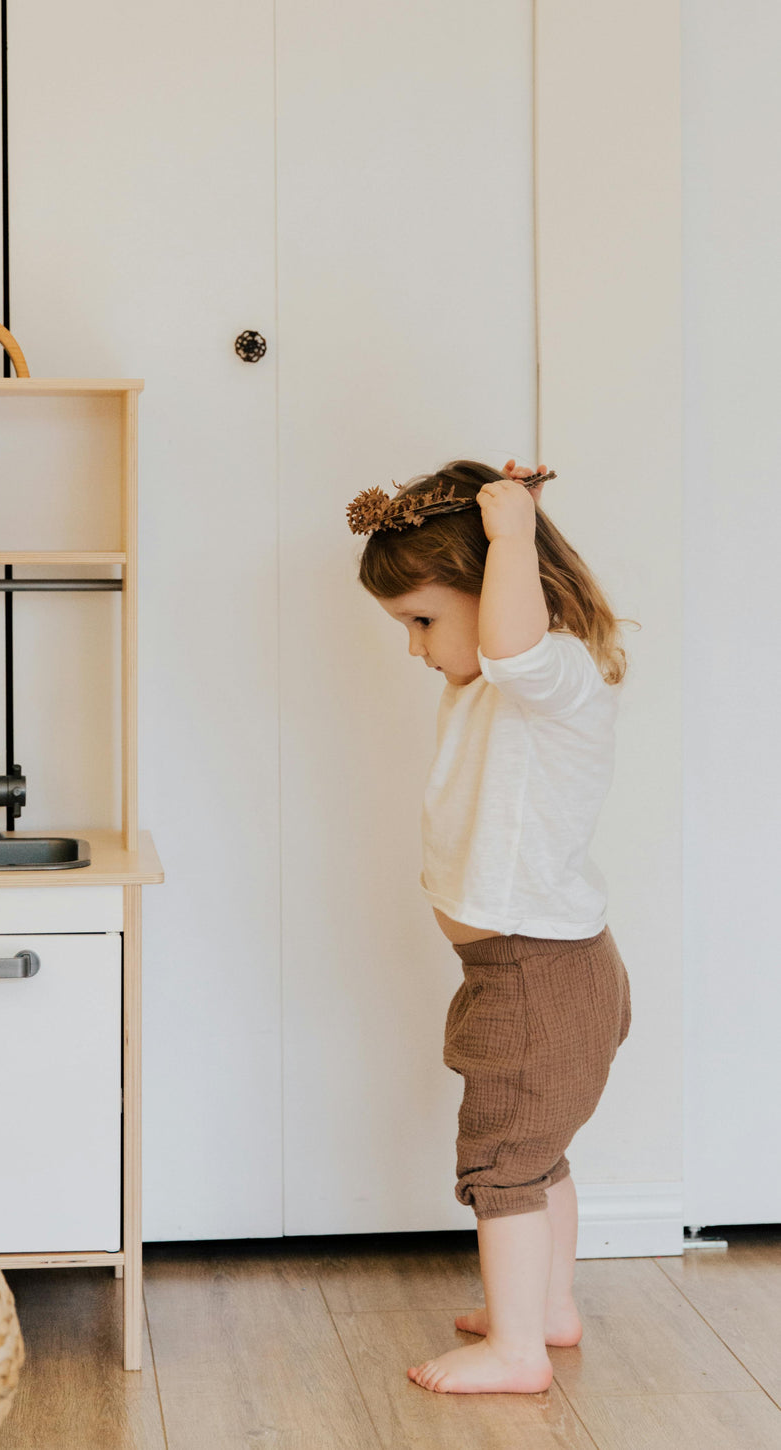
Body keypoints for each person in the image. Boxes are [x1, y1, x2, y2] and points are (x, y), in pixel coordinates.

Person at [347, 456, 634, 1395]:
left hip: (534, 973)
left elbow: (510, 645)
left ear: (492, 590)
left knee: (504, 1163)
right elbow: (492, 650)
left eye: (424, 620)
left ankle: (517, 1352)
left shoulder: (549, 673)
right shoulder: (496, 687)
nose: (416, 645)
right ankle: (545, 1308)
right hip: (531, 970)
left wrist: (510, 535)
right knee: (538, 1154)